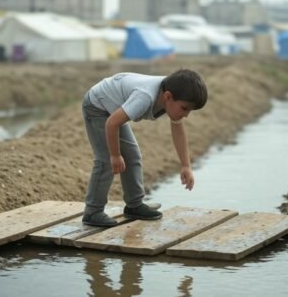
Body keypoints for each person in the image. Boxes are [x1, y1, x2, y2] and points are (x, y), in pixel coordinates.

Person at [81, 69, 208, 227]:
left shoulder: (173, 92)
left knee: (133, 156)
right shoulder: (145, 98)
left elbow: (178, 130)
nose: (186, 114)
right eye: (184, 108)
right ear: (168, 96)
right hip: (97, 106)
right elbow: (112, 123)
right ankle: (92, 212)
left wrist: (186, 165)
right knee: (105, 160)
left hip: (113, 107)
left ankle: (134, 205)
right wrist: (115, 155)